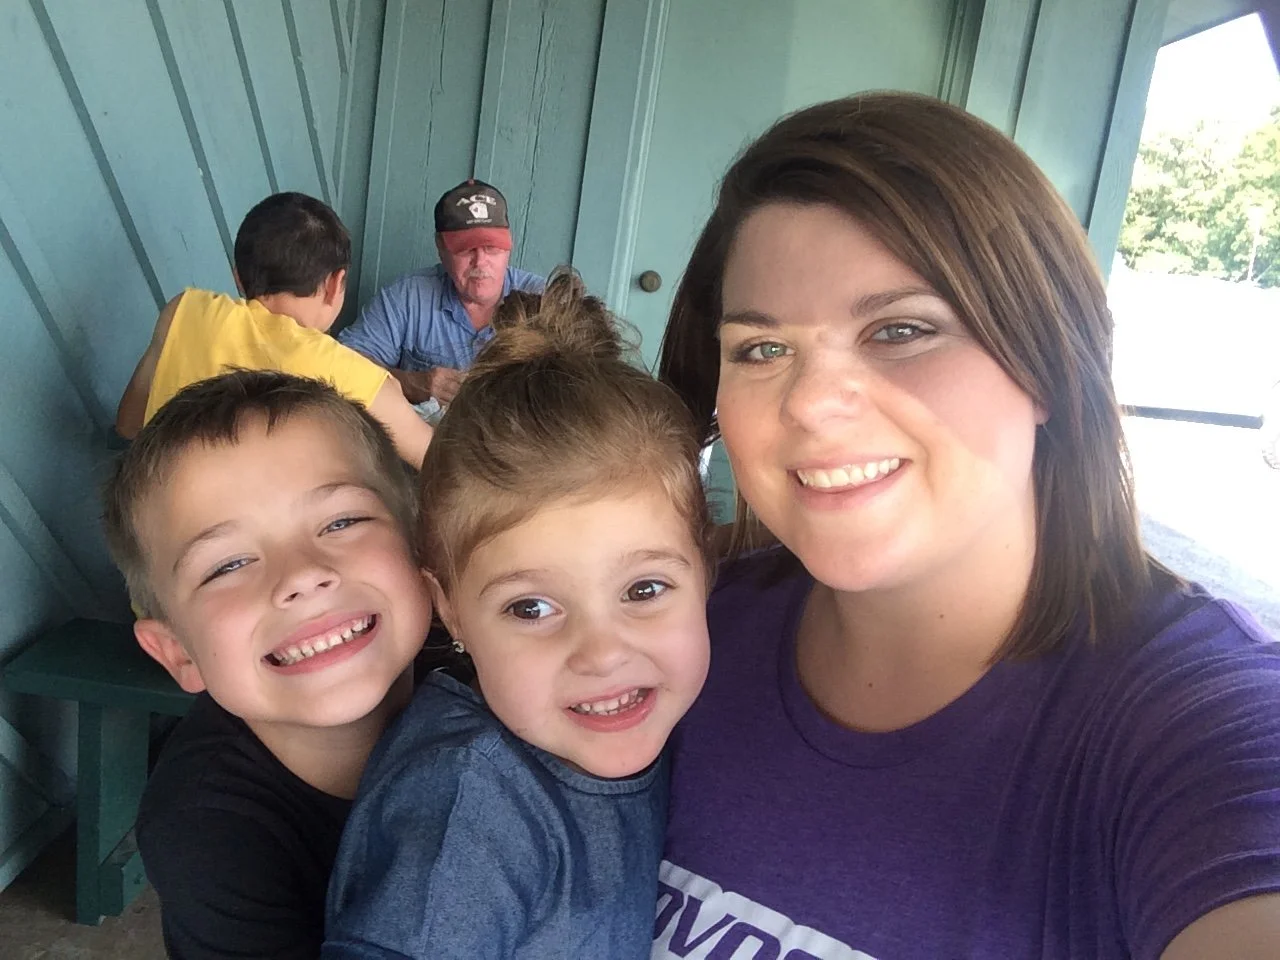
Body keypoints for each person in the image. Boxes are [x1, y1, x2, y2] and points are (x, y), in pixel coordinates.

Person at [653, 92, 1280, 960]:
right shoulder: (676, 633)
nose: (811, 404)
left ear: (1050, 364)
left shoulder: (1198, 724)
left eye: (901, 329)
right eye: (762, 349)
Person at [323, 271, 713, 959]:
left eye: (645, 589)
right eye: (531, 607)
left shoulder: (669, 732)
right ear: (450, 611)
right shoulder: (468, 814)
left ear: (706, 573)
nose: (602, 652)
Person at [102, 370, 434, 960]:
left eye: (341, 522)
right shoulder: (206, 832)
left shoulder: (493, 665)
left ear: (421, 547)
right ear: (179, 653)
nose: (301, 575)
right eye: (227, 565)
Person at [115, 192, 432, 467]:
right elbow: (436, 462)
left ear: (238, 278)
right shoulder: (351, 375)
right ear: (335, 284)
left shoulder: (185, 311)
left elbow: (129, 424)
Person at [337, 179, 545, 416]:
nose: (480, 262)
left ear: (509, 246)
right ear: (441, 247)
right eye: (466, 249)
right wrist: (414, 383)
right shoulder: (408, 297)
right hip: (423, 438)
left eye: (491, 248)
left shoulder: (542, 300)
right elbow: (345, 365)